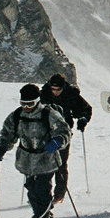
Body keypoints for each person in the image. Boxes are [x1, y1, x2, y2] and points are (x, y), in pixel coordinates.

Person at [0, 83, 71, 218]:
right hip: (27, 161)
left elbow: (64, 131)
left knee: (42, 191)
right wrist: (1, 148)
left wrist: (58, 141)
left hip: (46, 159)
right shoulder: (17, 116)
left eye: (30, 104)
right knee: (32, 192)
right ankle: (42, 215)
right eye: (23, 104)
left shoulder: (48, 114)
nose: (27, 107)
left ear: (37, 101)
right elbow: (8, 134)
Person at [39, 73, 93, 203]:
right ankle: (42, 193)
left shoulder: (71, 94)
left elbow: (86, 109)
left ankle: (59, 194)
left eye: (58, 89)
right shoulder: (44, 94)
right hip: (45, 132)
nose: (55, 92)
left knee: (60, 163)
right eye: (53, 89)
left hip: (63, 133)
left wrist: (83, 119)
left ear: (63, 87)